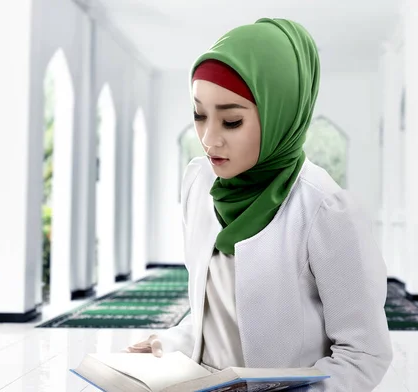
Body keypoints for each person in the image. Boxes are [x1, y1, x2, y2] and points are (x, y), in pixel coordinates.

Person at [123, 18, 393, 391]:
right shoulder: (200, 184)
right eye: (200, 115)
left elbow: (364, 354)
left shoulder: (325, 211)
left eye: (231, 121)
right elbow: (217, 316)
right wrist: (170, 343)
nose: (208, 139)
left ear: (280, 113)